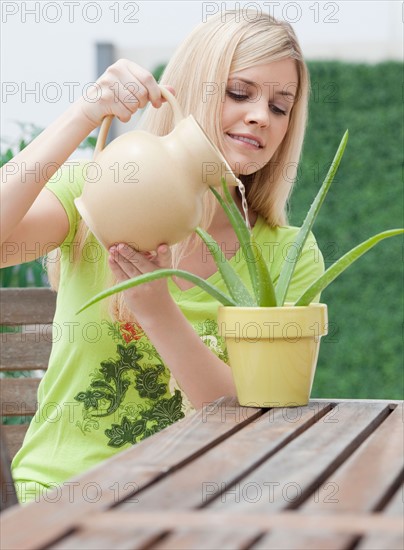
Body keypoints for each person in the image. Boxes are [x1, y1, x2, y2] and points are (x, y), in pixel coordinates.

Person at [1, 10, 324, 503]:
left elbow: (257, 416)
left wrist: (157, 312)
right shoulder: (100, 191)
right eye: (239, 92)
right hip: (67, 497)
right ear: (191, 87)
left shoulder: (288, 253)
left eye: (281, 106)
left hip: (210, 504)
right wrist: (84, 114)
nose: (261, 115)